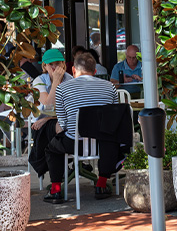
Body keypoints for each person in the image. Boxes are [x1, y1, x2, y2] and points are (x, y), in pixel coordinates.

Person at [44, 52, 120, 202]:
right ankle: (101, 184)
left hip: (74, 143)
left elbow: (64, 123)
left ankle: (56, 190)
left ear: (73, 71)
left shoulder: (62, 89)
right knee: (110, 141)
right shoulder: (110, 87)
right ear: (95, 71)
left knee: (51, 149)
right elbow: (113, 118)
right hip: (101, 143)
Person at [27, 49, 71, 183]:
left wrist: (47, 118)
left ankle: (61, 170)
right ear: (44, 66)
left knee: (63, 125)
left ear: (63, 64)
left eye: (57, 63)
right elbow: (49, 106)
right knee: (59, 126)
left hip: (62, 121)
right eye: (50, 64)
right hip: (41, 124)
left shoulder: (70, 79)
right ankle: (61, 169)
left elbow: (71, 108)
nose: (54, 67)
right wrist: (56, 82)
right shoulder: (39, 80)